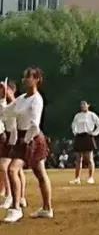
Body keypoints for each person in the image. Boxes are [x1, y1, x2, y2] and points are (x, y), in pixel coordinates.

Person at [4, 67, 53, 223]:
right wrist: (5, 97)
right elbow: (6, 112)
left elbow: (35, 125)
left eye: (28, 77)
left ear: (37, 79)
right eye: (24, 77)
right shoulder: (22, 98)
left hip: (32, 139)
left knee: (12, 170)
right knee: (40, 173)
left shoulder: (37, 99)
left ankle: (16, 208)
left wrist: (26, 141)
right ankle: (47, 209)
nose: (25, 80)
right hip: (24, 137)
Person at [69, 100, 99, 185]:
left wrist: (94, 133)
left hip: (87, 136)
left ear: (88, 105)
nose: (82, 106)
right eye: (81, 104)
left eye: (84, 104)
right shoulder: (77, 115)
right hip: (79, 136)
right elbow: (73, 125)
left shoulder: (92, 115)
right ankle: (77, 178)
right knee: (78, 159)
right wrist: (75, 132)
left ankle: (91, 177)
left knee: (89, 158)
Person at [0, 79, 16, 210]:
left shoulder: (17, 103)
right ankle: (16, 197)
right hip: (8, 136)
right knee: (13, 169)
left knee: (6, 167)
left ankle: (10, 196)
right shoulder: (6, 104)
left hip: (14, 137)